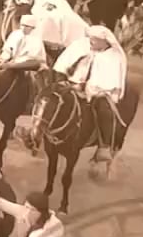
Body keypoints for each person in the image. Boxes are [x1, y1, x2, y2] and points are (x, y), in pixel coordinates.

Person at [53, 26, 128, 162]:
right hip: (74, 86)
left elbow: (108, 83)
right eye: (90, 38)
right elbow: (69, 68)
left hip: (99, 93)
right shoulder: (86, 50)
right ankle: (39, 132)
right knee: (51, 100)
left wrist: (85, 88)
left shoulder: (113, 57)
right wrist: (69, 82)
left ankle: (104, 146)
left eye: (95, 39)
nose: (90, 41)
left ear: (105, 42)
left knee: (104, 110)